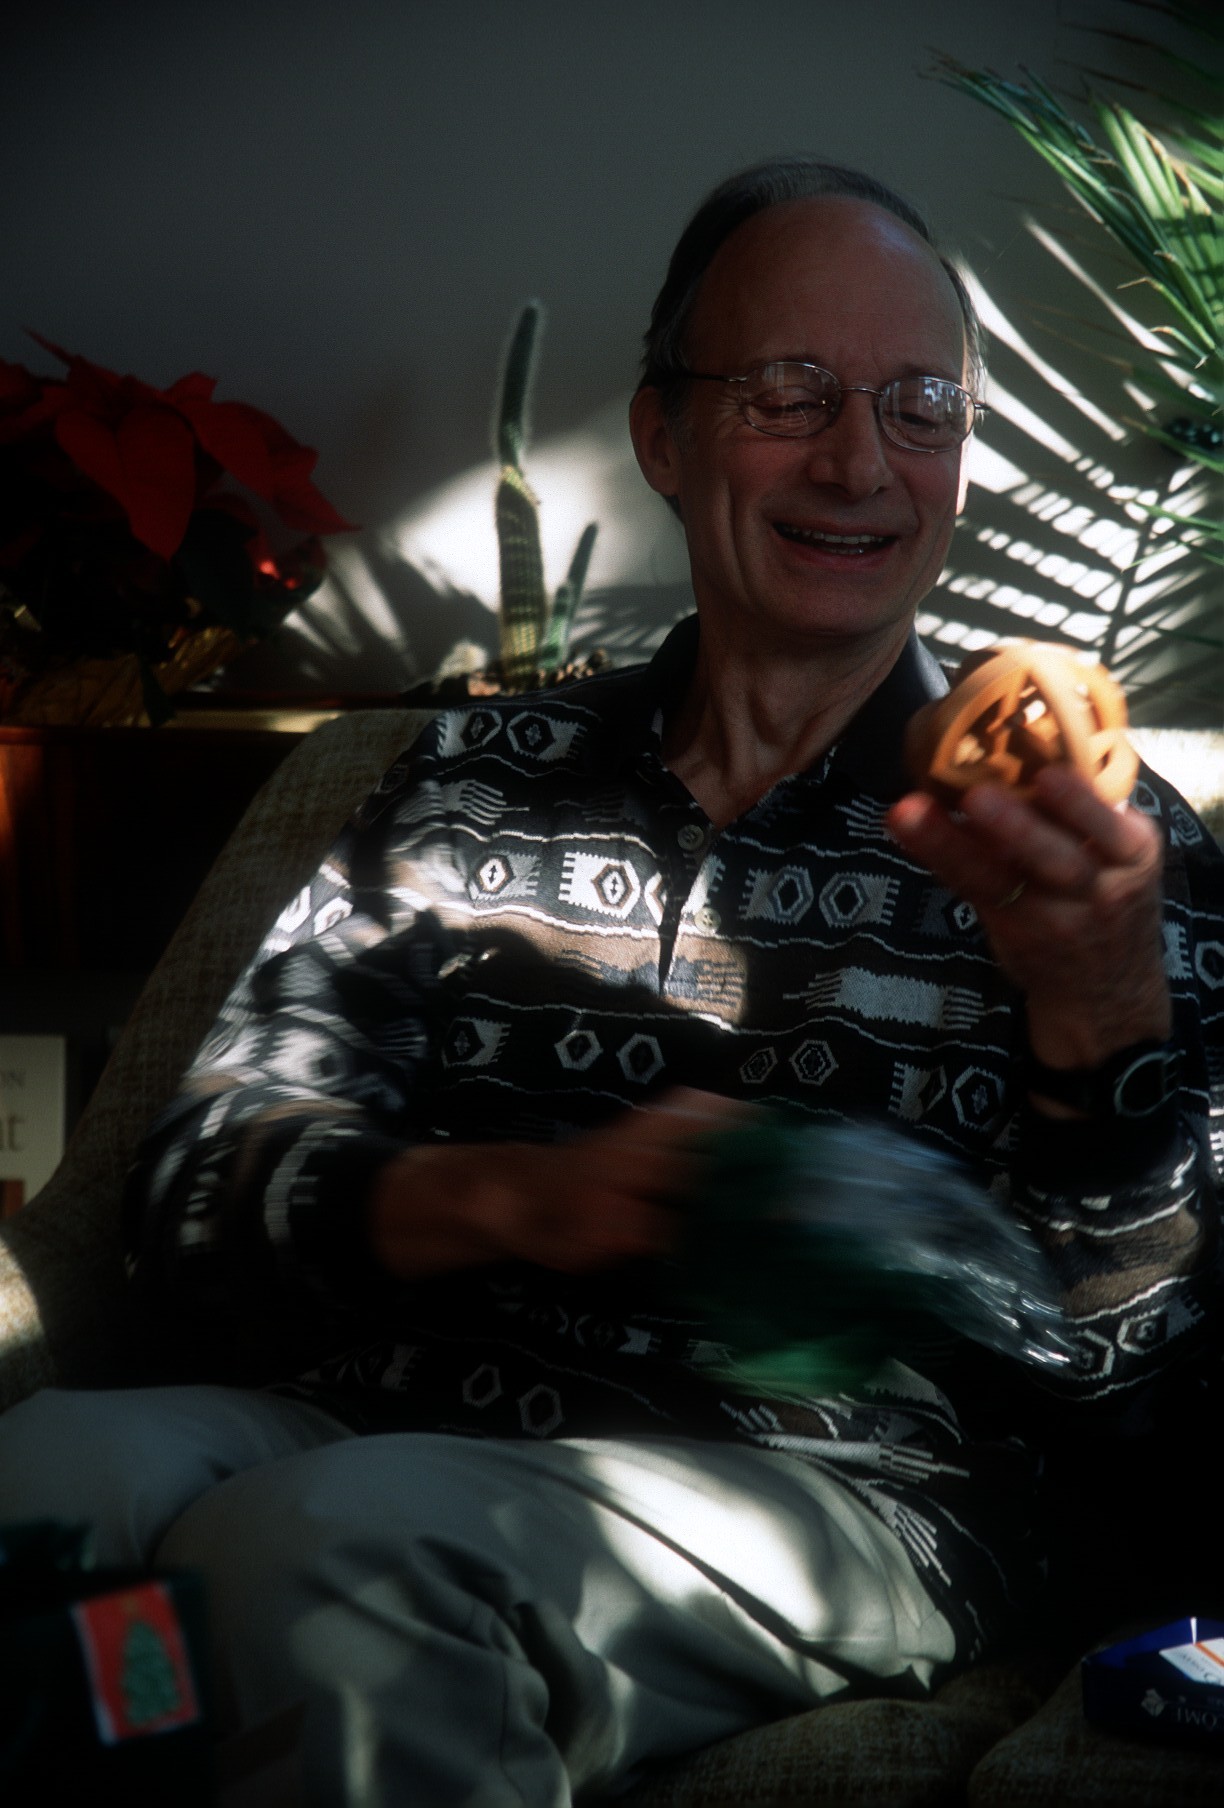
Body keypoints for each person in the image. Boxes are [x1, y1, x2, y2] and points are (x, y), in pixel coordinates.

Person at [1, 158, 1220, 1806]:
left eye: (920, 405)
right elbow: (192, 1195)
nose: (861, 461)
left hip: (850, 1486)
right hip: (376, 1411)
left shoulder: (1094, 847)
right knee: (46, 1478)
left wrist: (1103, 1018)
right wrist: (520, 1200)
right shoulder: (472, 779)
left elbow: (1147, 1402)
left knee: (333, 1551)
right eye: (790, 392)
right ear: (663, 434)